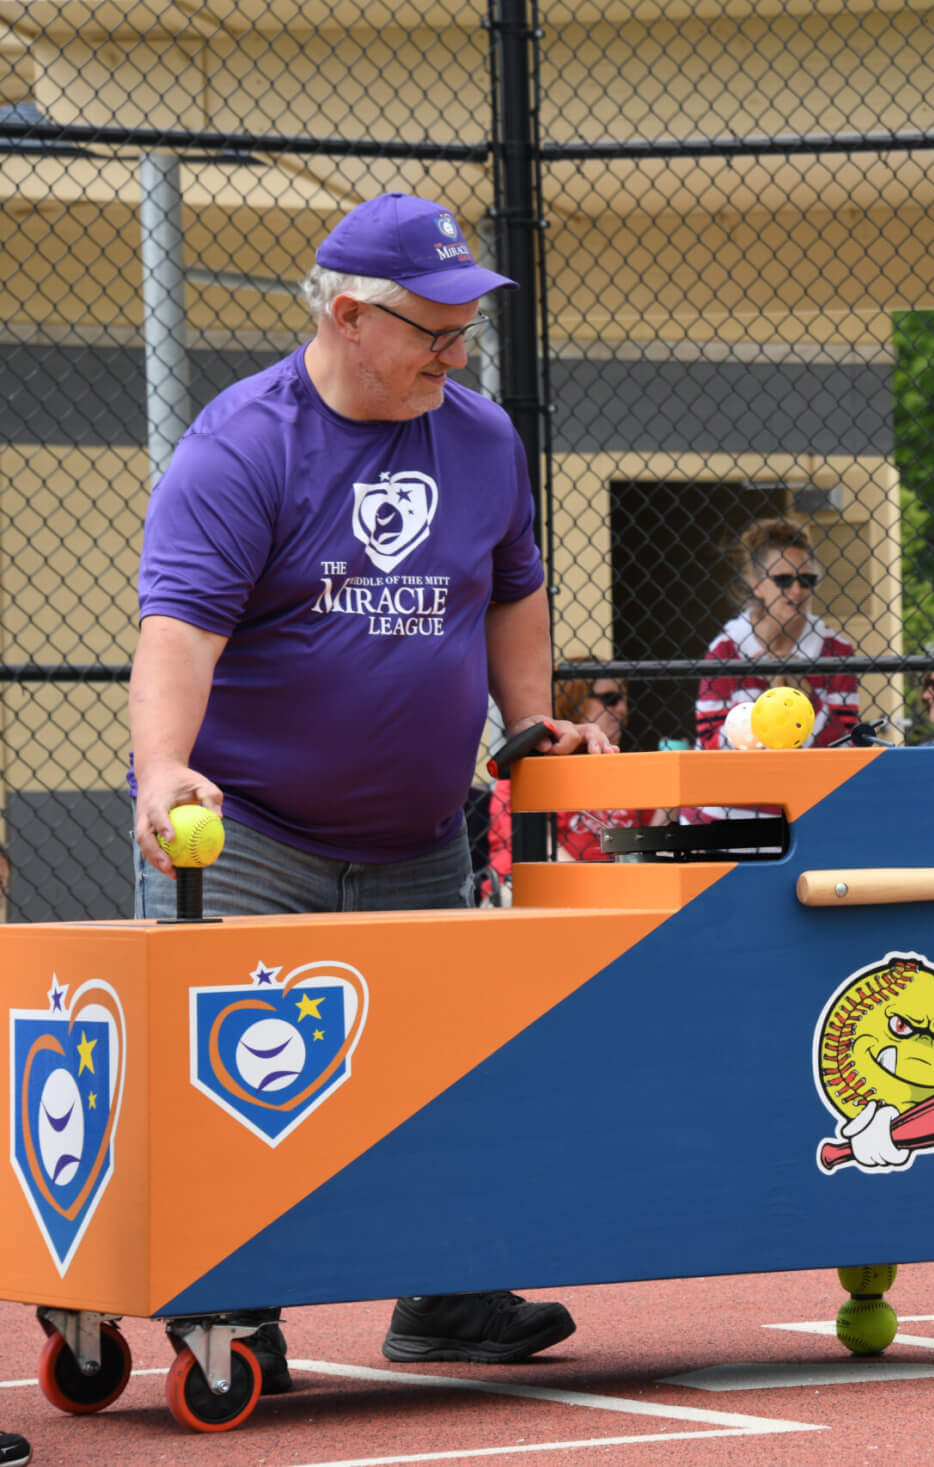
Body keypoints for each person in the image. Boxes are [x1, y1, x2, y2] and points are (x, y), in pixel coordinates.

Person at [128, 192, 608, 1385]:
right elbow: (178, 628)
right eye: (433, 331)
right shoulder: (244, 444)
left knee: (430, 1079)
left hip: (416, 835)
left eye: (465, 331)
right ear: (348, 316)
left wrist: (528, 718)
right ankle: (236, 1313)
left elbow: (513, 586)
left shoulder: (482, 438)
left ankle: (445, 1296)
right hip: (251, 835)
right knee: (235, 1087)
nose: (456, 354)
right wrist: (162, 767)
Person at [481, 665, 667, 903]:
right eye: (610, 699)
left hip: (620, 889)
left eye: (623, 700)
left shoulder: (628, 771)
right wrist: (600, 892)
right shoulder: (529, 767)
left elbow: (651, 848)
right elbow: (535, 848)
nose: (622, 709)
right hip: (540, 887)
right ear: (574, 699)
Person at [694, 517, 859, 753]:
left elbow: (849, 747)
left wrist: (806, 700)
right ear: (757, 585)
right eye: (783, 580)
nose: (796, 590)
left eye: (806, 580)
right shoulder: (726, 650)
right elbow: (707, 746)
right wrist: (766, 707)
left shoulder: (836, 650)